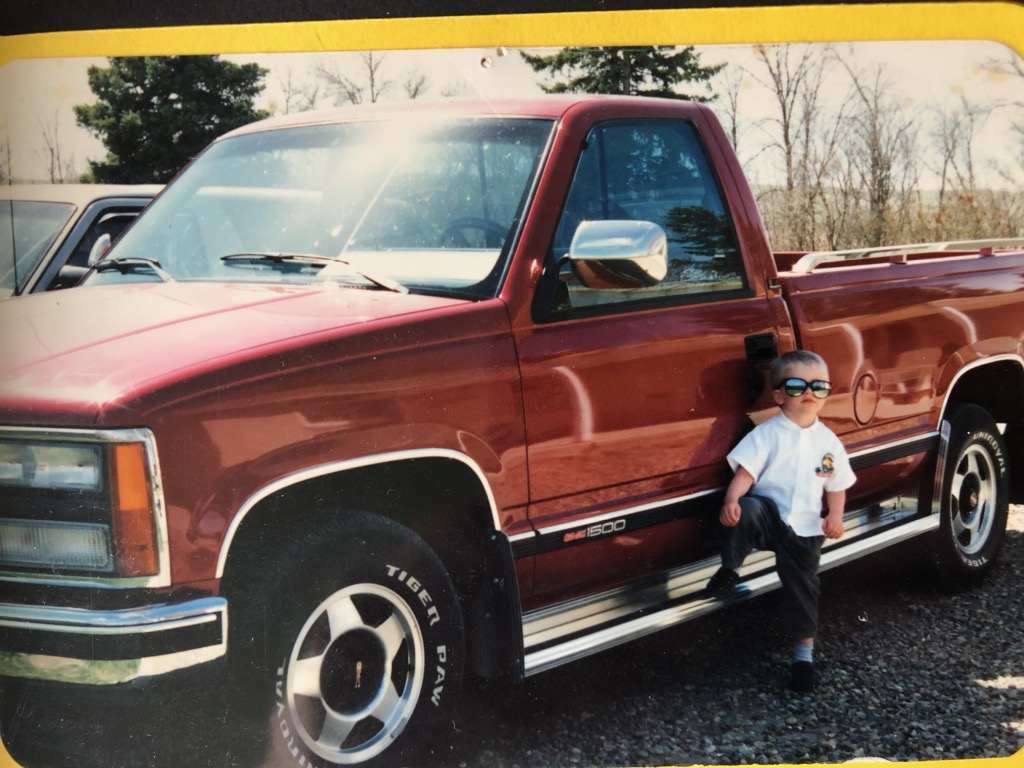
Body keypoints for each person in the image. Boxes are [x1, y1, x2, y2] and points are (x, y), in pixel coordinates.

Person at [705, 349, 856, 692]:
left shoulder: (828, 442)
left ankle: (803, 658)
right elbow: (745, 473)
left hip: (805, 528)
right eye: (796, 385)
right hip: (769, 517)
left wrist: (835, 515)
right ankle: (730, 567)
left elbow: (836, 485)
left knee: (804, 588)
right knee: (746, 509)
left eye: (818, 387)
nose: (808, 393)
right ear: (778, 396)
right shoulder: (767, 434)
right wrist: (731, 500)